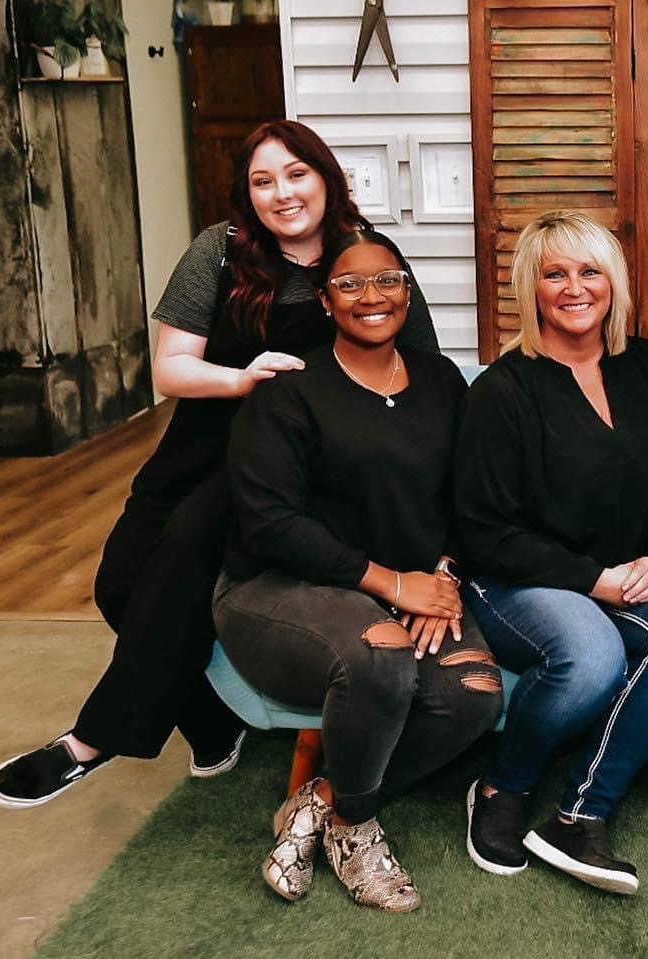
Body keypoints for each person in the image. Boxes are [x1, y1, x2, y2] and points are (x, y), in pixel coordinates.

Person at [0, 121, 441, 810]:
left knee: (192, 543)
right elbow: (170, 368)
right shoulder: (218, 250)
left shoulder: (364, 255)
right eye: (263, 181)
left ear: (326, 178)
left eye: (297, 174)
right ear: (246, 193)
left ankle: (92, 740)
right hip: (199, 443)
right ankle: (212, 722)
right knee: (118, 586)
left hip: (291, 460)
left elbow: (418, 361)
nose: (282, 193)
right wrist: (241, 379)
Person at [213, 230, 501, 913]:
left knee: (473, 693)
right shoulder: (290, 391)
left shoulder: (441, 380)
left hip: (409, 585)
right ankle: (356, 828)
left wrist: (443, 575)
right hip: (278, 588)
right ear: (325, 300)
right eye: (350, 283)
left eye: (387, 279)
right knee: (380, 657)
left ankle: (320, 801)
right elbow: (271, 524)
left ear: (408, 291)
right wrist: (392, 584)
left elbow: (476, 495)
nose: (371, 295)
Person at [456, 210, 648, 896]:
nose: (575, 288)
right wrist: (592, 579)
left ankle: (582, 813)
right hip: (517, 578)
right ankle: (502, 786)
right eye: (556, 274)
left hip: (627, 572)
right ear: (531, 288)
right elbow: (484, 530)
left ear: (614, 282)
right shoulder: (502, 391)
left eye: (590, 271)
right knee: (592, 655)